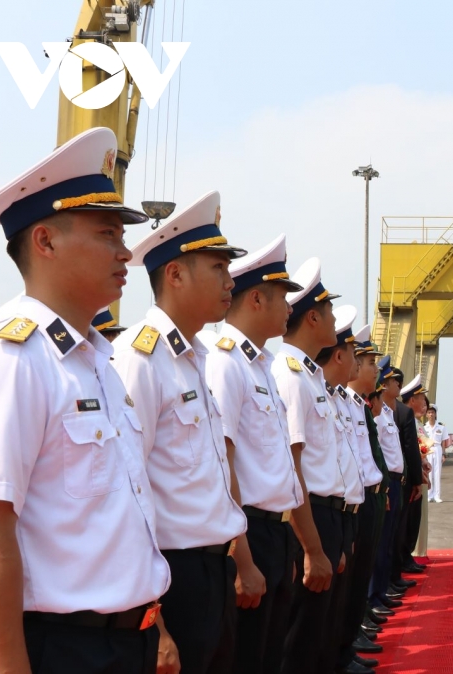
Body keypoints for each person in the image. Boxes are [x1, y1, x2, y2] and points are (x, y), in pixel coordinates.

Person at [0, 127, 169, 674]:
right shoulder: (12, 362)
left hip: (124, 641)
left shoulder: (97, 362)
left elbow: (122, 516)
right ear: (45, 242)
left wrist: (155, 625)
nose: (126, 253)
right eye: (107, 234)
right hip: (57, 649)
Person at [114, 190, 249, 674]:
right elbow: (127, 488)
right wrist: (155, 616)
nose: (230, 281)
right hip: (175, 576)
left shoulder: (195, 357)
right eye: (218, 268)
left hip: (213, 568)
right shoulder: (140, 357)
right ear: (175, 273)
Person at [205, 234, 306, 674]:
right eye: (284, 296)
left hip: (276, 532)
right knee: (247, 657)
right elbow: (221, 462)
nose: (290, 307)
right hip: (250, 535)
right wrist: (241, 558)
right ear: (258, 298)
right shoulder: (224, 362)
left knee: (270, 655)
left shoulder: (261, 365)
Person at [271, 257, 347, 674]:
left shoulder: (311, 376)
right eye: (330, 311)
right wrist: (312, 547)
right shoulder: (289, 375)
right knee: (298, 641)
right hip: (309, 515)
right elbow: (294, 465)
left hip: (326, 514)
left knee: (318, 633)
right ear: (313, 316)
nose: (335, 320)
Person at [313, 306, 371, 674]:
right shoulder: (297, 382)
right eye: (356, 354)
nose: (364, 364)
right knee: (310, 622)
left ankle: (342, 652)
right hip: (317, 513)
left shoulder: (340, 398)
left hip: (345, 507)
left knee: (338, 603)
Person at [340, 326, 389, 670]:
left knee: (360, 574)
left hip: (366, 496)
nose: (374, 370)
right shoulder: (345, 402)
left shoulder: (356, 405)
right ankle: (347, 640)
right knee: (349, 580)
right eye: (370, 362)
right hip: (350, 503)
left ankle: (350, 638)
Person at [368, 362, 408, 618]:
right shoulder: (377, 416)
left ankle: (381, 592)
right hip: (386, 483)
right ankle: (373, 596)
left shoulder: (387, 414)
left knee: (389, 541)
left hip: (396, 481)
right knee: (379, 545)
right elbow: (376, 454)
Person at [394, 374, 429, 576]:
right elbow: (409, 448)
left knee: (412, 519)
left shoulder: (416, 421)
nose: (424, 401)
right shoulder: (405, 416)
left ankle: (406, 556)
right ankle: (404, 558)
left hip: (416, 474)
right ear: (412, 399)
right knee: (406, 520)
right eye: (422, 397)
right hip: (408, 477)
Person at [425, 407, 447, 503]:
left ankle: (437, 495)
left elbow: (443, 442)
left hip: (437, 448)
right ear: (426, 415)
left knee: (437, 472)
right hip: (428, 449)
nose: (431, 414)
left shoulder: (441, 427)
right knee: (428, 472)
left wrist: (443, 454)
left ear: (435, 414)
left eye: (432, 412)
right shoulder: (424, 427)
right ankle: (429, 494)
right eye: (429, 412)